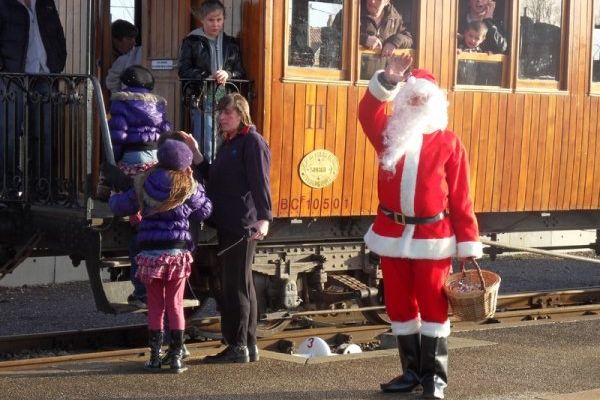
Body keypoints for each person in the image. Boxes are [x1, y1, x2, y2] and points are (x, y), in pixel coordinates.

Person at [358, 54, 483, 399]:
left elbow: (461, 198)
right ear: (402, 99)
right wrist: (388, 78)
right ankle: (411, 372)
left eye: (422, 97)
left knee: (433, 307)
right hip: (391, 235)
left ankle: (435, 378)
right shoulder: (388, 134)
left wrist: (467, 244)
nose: (415, 101)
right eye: (410, 96)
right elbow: (366, 112)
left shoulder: (449, 142)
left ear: (433, 102)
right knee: (398, 307)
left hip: (433, 237)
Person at [108, 137, 213, 373]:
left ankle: (154, 357)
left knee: (155, 304)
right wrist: (197, 184)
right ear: (184, 163)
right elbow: (205, 210)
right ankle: (176, 357)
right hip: (177, 252)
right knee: (175, 304)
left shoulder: (143, 181)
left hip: (150, 254)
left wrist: (113, 196)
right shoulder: (187, 185)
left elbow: (120, 206)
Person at [192, 93, 271, 364]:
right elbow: (216, 179)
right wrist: (198, 158)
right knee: (242, 284)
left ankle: (237, 346)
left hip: (242, 225)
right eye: (221, 113)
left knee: (234, 285)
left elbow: (260, 181)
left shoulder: (251, 142)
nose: (222, 117)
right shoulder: (231, 143)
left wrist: (265, 217)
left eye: (228, 112)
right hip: (230, 223)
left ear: (242, 114)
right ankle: (248, 345)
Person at [104, 65, 172, 309]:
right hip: (153, 160)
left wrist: (114, 160)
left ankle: (132, 213)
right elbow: (166, 132)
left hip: (133, 159)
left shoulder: (121, 104)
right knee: (148, 199)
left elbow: (119, 136)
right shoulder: (158, 105)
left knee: (131, 197)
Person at [0, 0, 67, 193]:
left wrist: (58, 61)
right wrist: (3, 70)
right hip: (12, 78)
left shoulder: (45, 3)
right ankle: (8, 188)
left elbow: (57, 33)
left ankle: (41, 187)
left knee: (44, 134)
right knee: (8, 133)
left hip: (44, 75)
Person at [178, 0, 245, 162]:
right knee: (206, 141)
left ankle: (220, 175)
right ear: (202, 19)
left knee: (225, 139)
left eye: (219, 20)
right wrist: (206, 76)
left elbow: (240, 71)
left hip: (225, 98)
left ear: (224, 19)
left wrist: (228, 74)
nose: (215, 24)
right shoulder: (192, 41)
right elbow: (183, 70)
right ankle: (206, 179)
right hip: (202, 98)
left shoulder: (231, 43)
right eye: (211, 20)